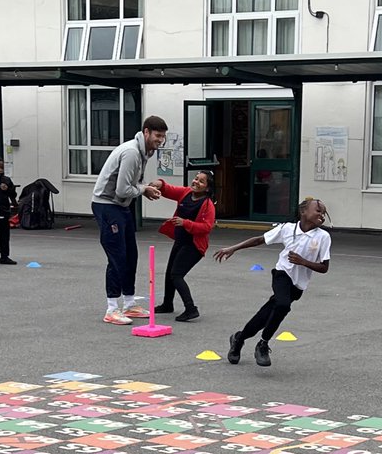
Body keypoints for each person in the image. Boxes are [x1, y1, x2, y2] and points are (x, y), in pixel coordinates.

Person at [214, 197, 332, 367]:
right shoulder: (287, 229)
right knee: (283, 305)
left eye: (324, 213)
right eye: (318, 211)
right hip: (282, 274)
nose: (322, 215)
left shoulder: (323, 237)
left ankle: (238, 339)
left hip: (298, 285)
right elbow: (259, 239)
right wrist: (233, 248)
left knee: (266, 315)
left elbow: (324, 267)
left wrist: (303, 262)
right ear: (303, 212)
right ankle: (263, 344)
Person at [92, 115, 167, 325]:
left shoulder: (145, 152)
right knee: (117, 257)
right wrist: (144, 189)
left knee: (130, 256)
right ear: (146, 132)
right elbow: (122, 189)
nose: (160, 140)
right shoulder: (132, 152)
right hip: (107, 205)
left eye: (163, 136)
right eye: (157, 135)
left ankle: (129, 303)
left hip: (121, 206)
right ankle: (111, 309)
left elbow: (130, 186)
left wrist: (143, 189)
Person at [151, 171, 216, 322]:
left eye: (201, 181)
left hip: (194, 246)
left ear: (207, 188)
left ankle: (191, 309)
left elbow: (207, 227)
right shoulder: (186, 193)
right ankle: (167, 304)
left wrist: (185, 223)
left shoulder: (207, 205)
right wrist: (160, 184)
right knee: (169, 273)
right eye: (196, 179)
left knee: (176, 275)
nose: (196, 182)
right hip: (180, 242)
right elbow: (169, 190)